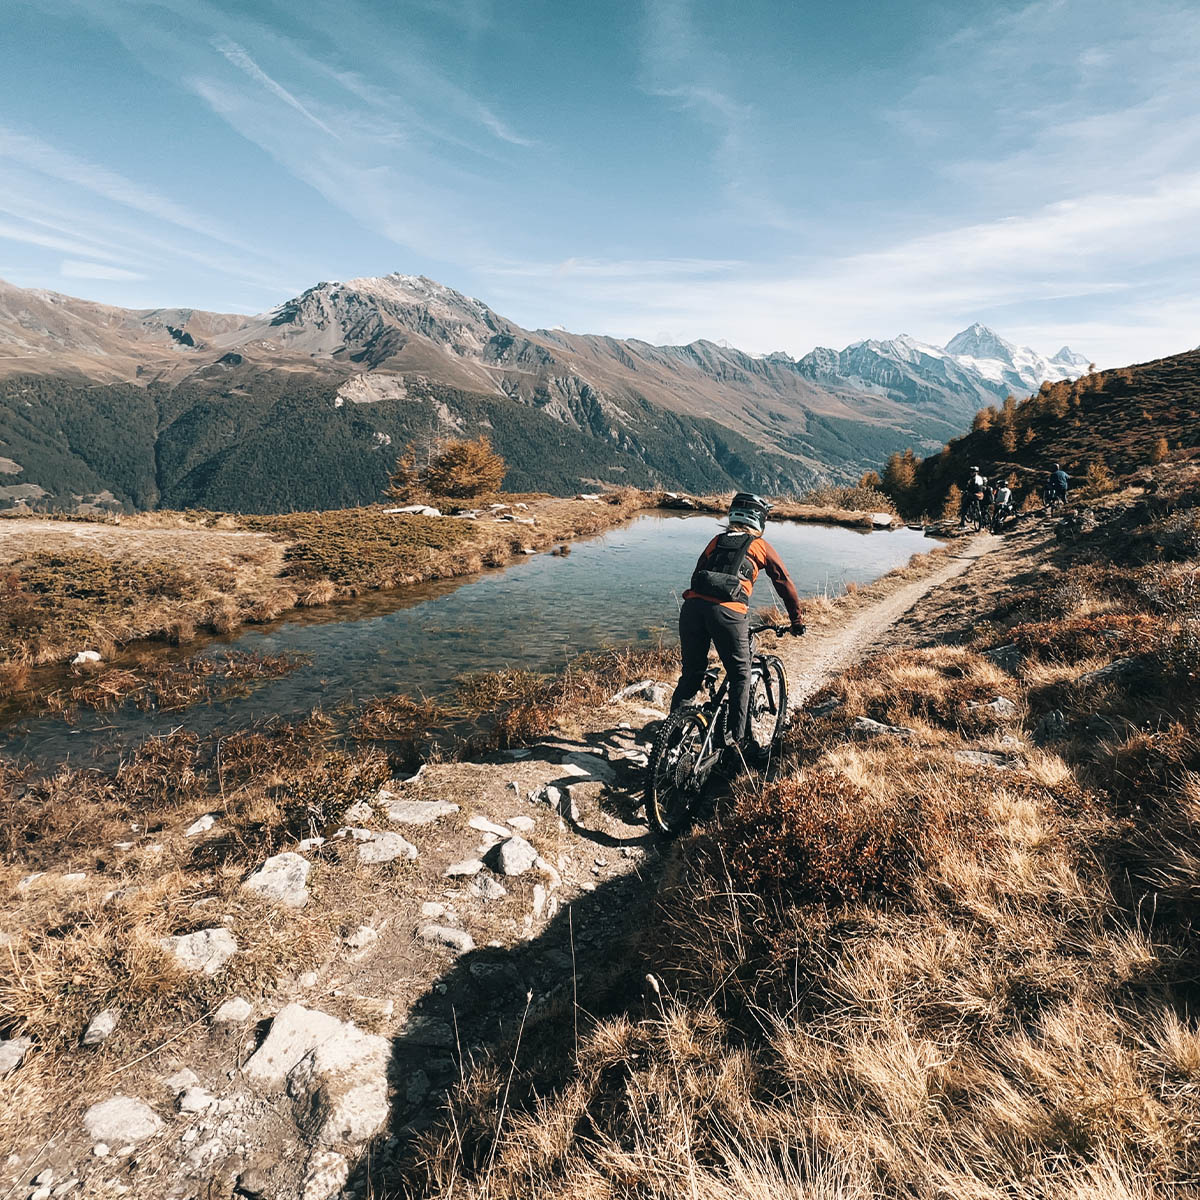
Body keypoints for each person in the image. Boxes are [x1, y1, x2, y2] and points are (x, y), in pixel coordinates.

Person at [671, 493, 804, 751]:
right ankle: (736, 744)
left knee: (691, 675)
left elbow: (697, 574)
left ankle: (672, 745)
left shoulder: (717, 540)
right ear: (759, 520)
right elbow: (784, 582)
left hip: (692, 609)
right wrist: (796, 619)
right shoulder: (760, 545)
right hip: (729, 613)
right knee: (740, 675)